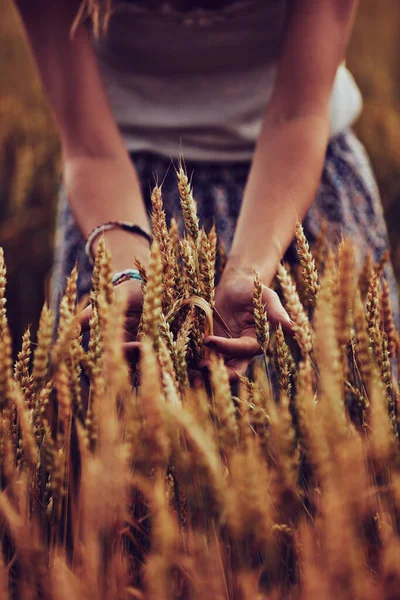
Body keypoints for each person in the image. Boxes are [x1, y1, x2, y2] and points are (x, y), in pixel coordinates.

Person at [14, 0, 398, 375]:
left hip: (295, 184)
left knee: (345, 408)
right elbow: (90, 148)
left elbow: (298, 116)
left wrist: (250, 270)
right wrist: (129, 274)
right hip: (116, 194)